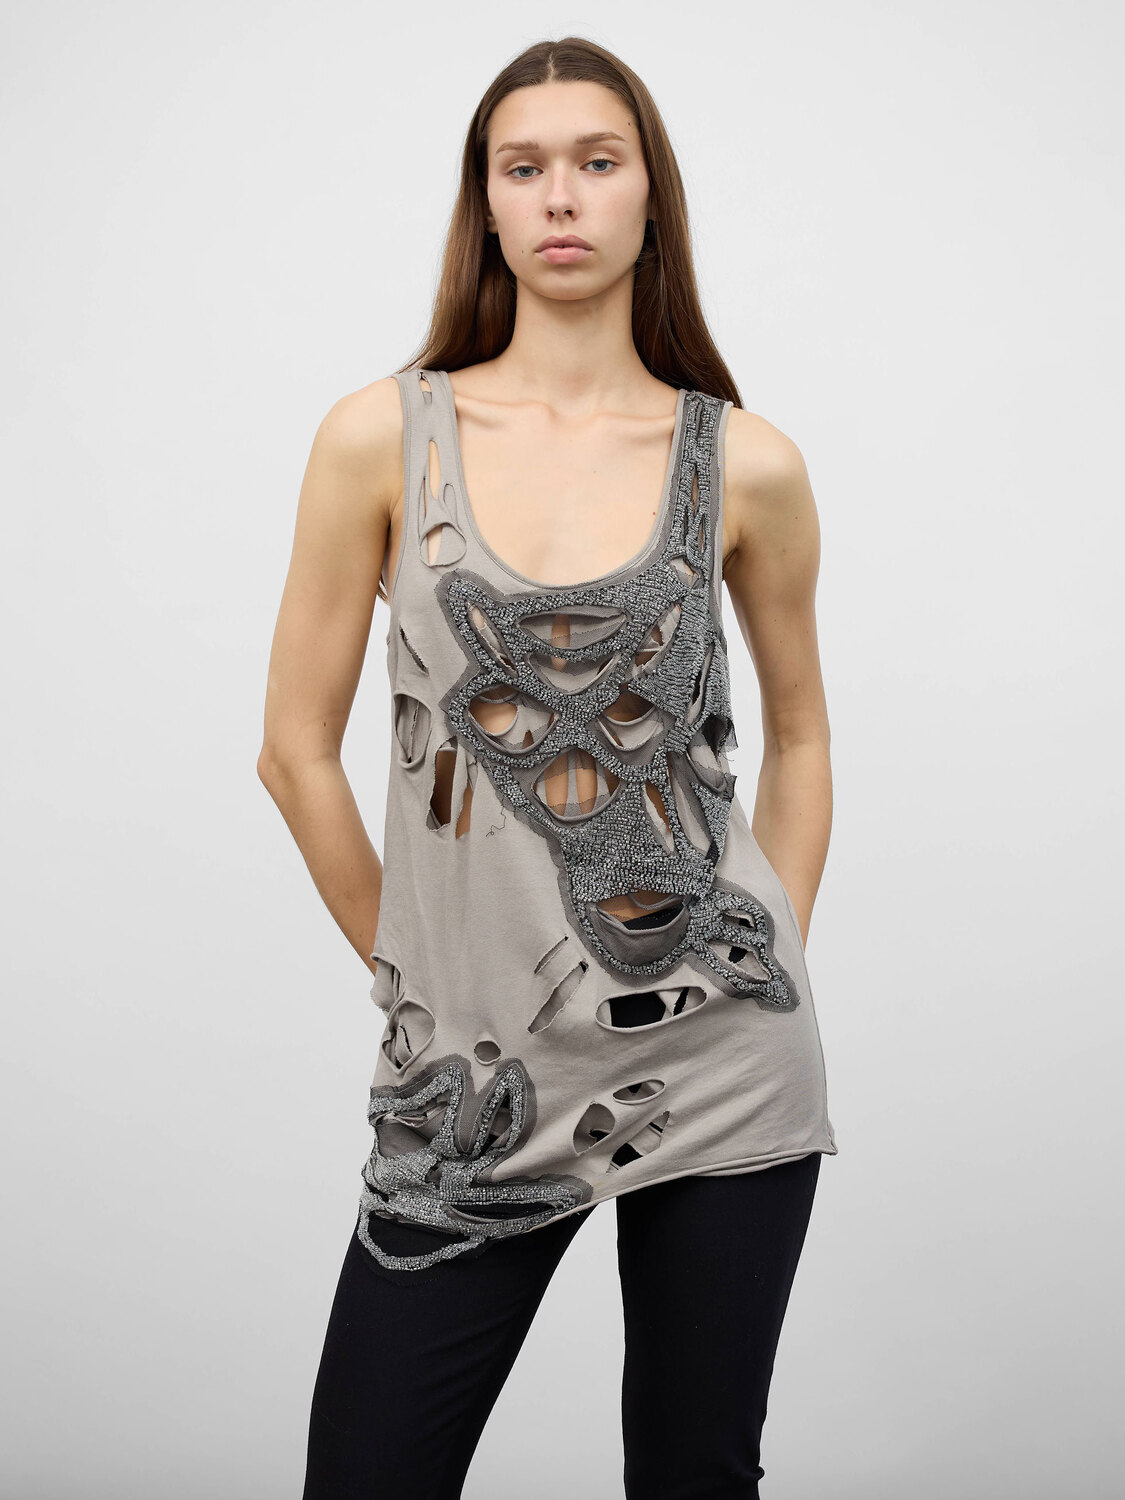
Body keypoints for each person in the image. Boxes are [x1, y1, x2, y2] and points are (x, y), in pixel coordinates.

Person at [258, 34, 838, 1500]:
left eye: (596, 160)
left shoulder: (747, 462)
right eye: (523, 167)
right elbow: (292, 752)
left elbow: (805, 734)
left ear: (650, 195)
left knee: (696, 1474)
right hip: (470, 1078)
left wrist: (771, 947)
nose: (560, 196)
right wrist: (416, 976)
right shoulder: (379, 439)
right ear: (488, 203)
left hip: (725, 1066)